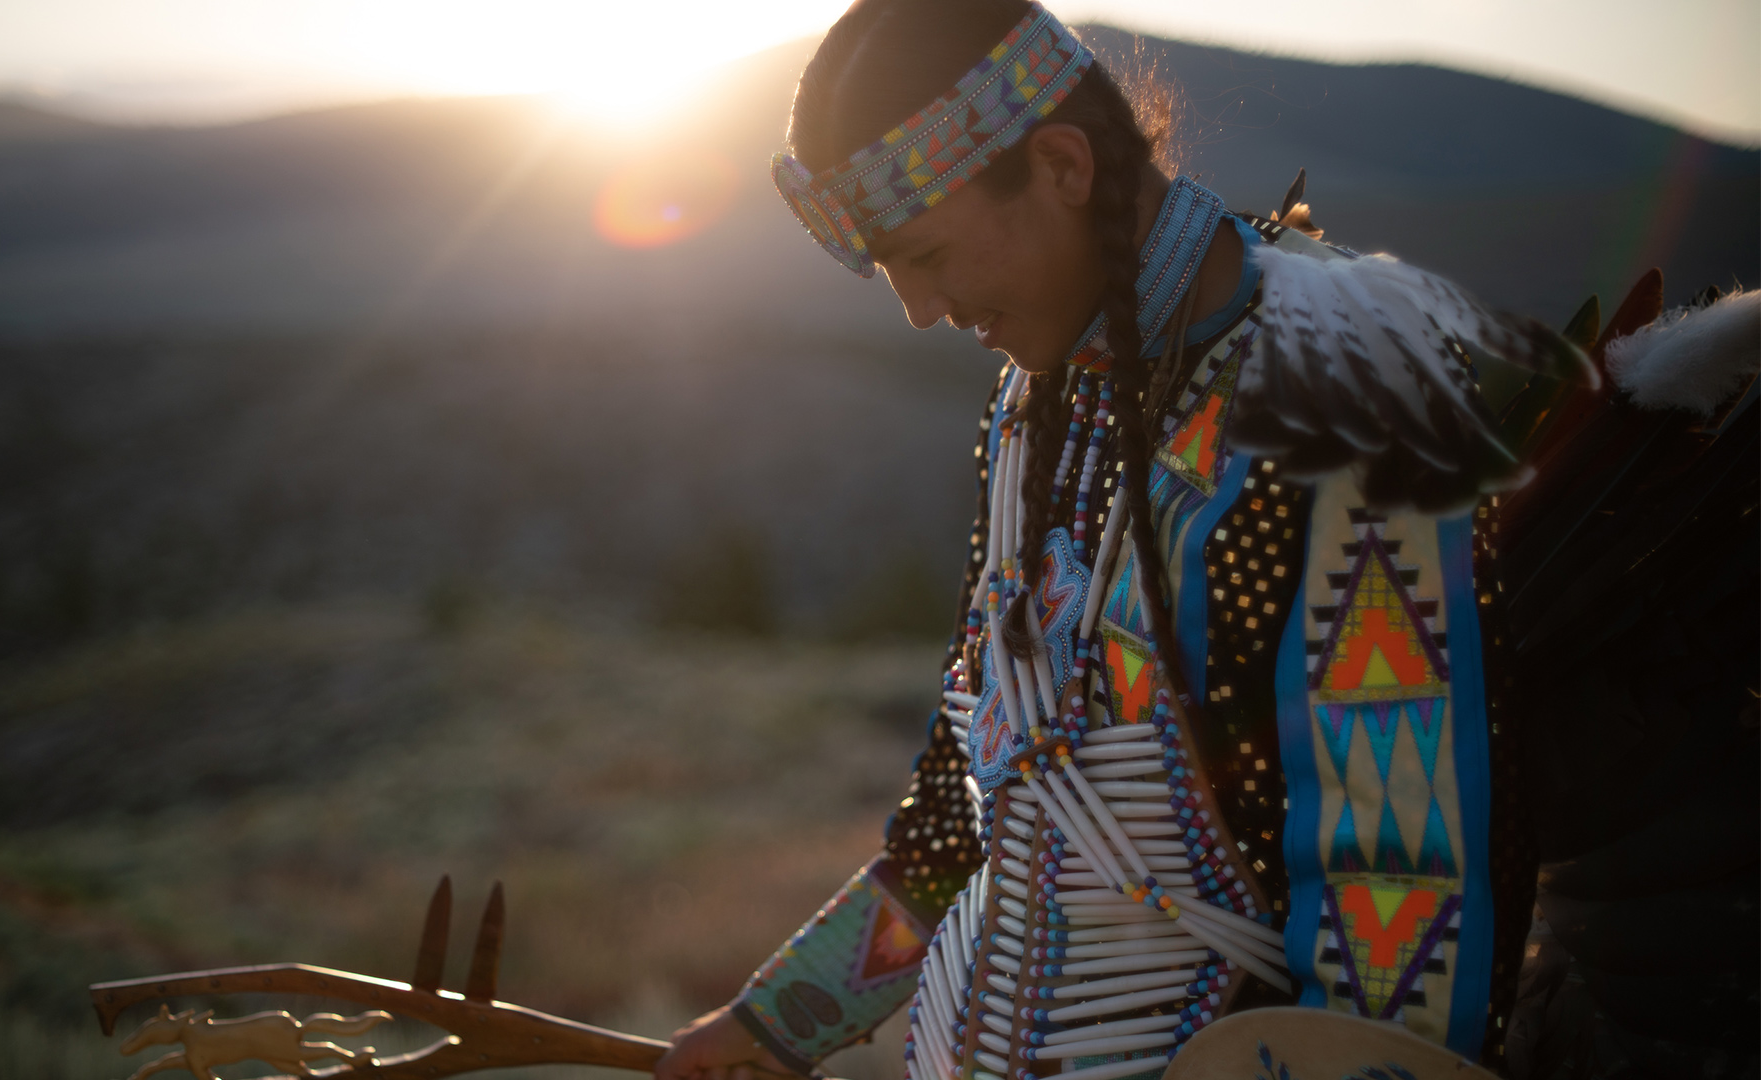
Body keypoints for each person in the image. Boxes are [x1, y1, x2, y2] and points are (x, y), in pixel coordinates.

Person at [655, 1, 1592, 1076]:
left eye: (923, 253)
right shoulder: (1036, 404)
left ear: (1061, 165)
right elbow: (981, 800)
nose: (916, 309)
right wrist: (777, 1022)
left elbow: (1401, 901)